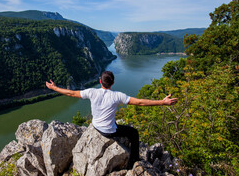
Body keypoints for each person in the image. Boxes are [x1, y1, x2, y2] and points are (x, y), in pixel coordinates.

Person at [45, 71, 178, 168]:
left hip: (96, 126)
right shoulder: (117, 96)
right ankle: (133, 162)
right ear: (113, 83)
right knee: (133, 133)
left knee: (121, 126)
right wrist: (162, 102)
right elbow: (140, 102)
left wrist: (54, 87)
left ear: (100, 81)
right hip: (109, 131)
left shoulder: (92, 92)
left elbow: (71, 93)